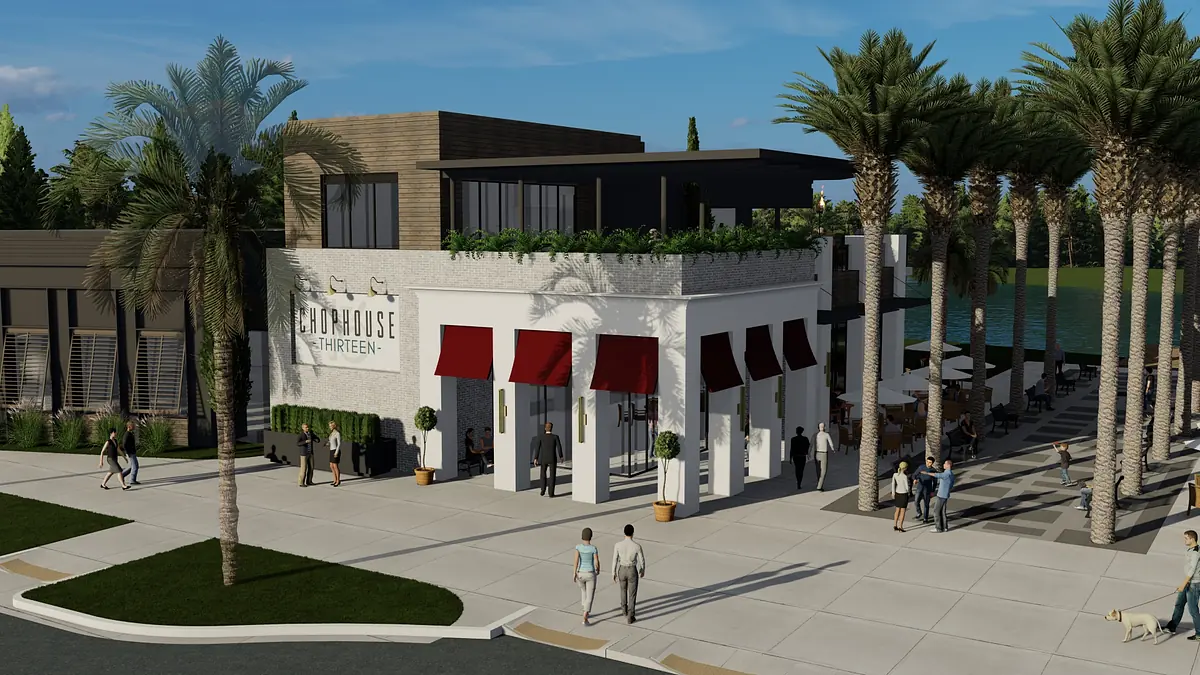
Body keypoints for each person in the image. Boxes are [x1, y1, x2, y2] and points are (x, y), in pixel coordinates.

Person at [1165, 530, 1200, 639]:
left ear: (1192, 539)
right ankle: (1172, 626)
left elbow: (1192, 570)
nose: (1184, 540)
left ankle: (1199, 634)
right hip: (1188, 582)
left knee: (1193, 609)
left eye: (1186, 538)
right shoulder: (1192, 549)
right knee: (1179, 604)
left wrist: (1183, 584)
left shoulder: (1195, 553)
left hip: (1193, 584)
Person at [612, 524, 646, 624]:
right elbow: (642, 560)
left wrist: (613, 572)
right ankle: (630, 615)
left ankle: (624, 610)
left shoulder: (618, 545)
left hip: (622, 568)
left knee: (623, 590)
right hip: (632, 569)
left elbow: (614, 559)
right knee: (632, 594)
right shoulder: (637, 546)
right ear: (633, 533)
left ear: (624, 533)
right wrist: (642, 569)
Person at [573, 527, 600, 626]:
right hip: (590, 573)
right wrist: (598, 569)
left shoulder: (578, 547)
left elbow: (576, 561)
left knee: (583, 591)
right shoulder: (593, 549)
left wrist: (574, 572)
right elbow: (596, 561)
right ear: (591, 537)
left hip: (580, 573)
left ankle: (584, 608)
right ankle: (585, 615)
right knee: (590, 596)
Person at [533, 422, 564, 497]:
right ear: (552, 428)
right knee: (552, 475)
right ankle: (551, 493)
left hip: (544, 458)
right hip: (552, 458)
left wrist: (535, 458)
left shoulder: (541, 437)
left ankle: (543, 490)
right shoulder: (555, 437)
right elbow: (559, 447)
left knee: (543, 474)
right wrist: (561, 456)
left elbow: (537, 448)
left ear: (545, 428)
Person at [929, 459, 955, 533]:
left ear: (948, 465)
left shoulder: (946, 474)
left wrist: (927, 473)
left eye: (945, 464)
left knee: (936, 511)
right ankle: (945, 527)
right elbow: (952, 484)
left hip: (941, 495)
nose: (943, 465)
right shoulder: (951, 474)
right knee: (943, 511)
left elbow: (937, 475)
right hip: (945, 494)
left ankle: (938, 528)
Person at [913, 455, 936, 524]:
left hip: (928, 490)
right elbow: (914, 474)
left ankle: (925, 518)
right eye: (927, 462)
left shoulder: (933, 471)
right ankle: (919, 513)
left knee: (926, 504)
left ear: (932, 463)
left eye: (930, 462)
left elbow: (935, 482)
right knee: (916, 501)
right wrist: (915, 479)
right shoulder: (921, 467)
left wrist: (933, 491)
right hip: (920, 488)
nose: (928, 463)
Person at [813, 422, 835, 491]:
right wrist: (833, 449)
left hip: (816, 453)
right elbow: (831, 443)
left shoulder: (815, 435)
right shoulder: (826, 435)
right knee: (823, 471)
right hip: (823, 453)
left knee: (818, 470)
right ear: (824, 427)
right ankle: (819, 486)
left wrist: (809, 452)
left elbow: (811, 444)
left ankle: (819, 482)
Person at [118, 420, 140, 485]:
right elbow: (124, 444)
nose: (134, 427)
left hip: (132, 452)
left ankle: (122, 475)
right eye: (133, 426)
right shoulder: (127, 434)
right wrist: (128, 452)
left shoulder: (130, 433)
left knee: (131, 466)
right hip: (130, 453)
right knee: (135, 466)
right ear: (129, 427)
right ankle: (132, 480)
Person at [891, 461, 911, 532]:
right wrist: (909, 492)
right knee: (902, 511)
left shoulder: (895, 475)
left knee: (897, 510)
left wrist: (893, 493)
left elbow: (893, 484)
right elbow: (906, 487)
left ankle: (895, 525)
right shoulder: (905, 476)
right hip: (903, 494)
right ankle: (900, 526)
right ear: (905, 468)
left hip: (897, 493)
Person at [296, 423, 317, 487]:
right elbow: (298, 443)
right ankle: (301, 482)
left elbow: (315, 437)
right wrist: (305, 441)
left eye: (307, 427)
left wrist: (316, 439)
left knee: (311, 467)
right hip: (304, 454)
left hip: (310, 453)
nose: (307, 428)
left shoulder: (310, 433)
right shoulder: (301, 435)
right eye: (306, 427)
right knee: (303, 468)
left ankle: (309, 481)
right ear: (303, 428)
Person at [790, 426, 810, 490]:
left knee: (797, 469)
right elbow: (808, 446)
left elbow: (792, 449)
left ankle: (798, 481)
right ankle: (799, 482)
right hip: (802, 456)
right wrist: (807, 453)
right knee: (801, 470)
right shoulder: (805, 439)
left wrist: (790, 458)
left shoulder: (793, 439)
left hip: (796, 456)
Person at [327, 420, 342, 487]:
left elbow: (339, 444)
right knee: (331, 466)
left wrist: (336, 452)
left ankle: (338, 481)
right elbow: (331, 441)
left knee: (335, 466)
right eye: (329, 426)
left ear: (334, 426)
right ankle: (334, 480)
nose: (330, 427)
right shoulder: (331, 433)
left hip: (335, 450)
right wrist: (328, 443)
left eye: (331, 426)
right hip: (331, 450)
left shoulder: (337, 433)